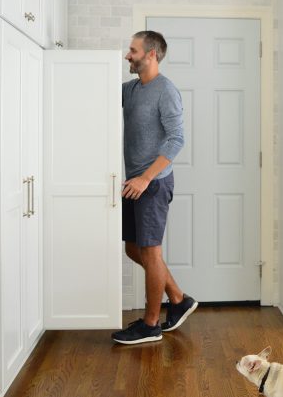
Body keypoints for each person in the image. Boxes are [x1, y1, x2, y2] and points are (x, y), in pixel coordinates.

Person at [112, 30, 197, 344]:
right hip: (134, 182)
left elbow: (177, 139)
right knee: (134, 249)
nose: (127, 55)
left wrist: (146, 177)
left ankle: (150, 325)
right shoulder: (133, 89)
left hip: (153, 183)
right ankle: (178, 298)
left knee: (150, 251)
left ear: (151, 54)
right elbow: (98, 90)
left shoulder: (166, 91)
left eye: (132, 50)